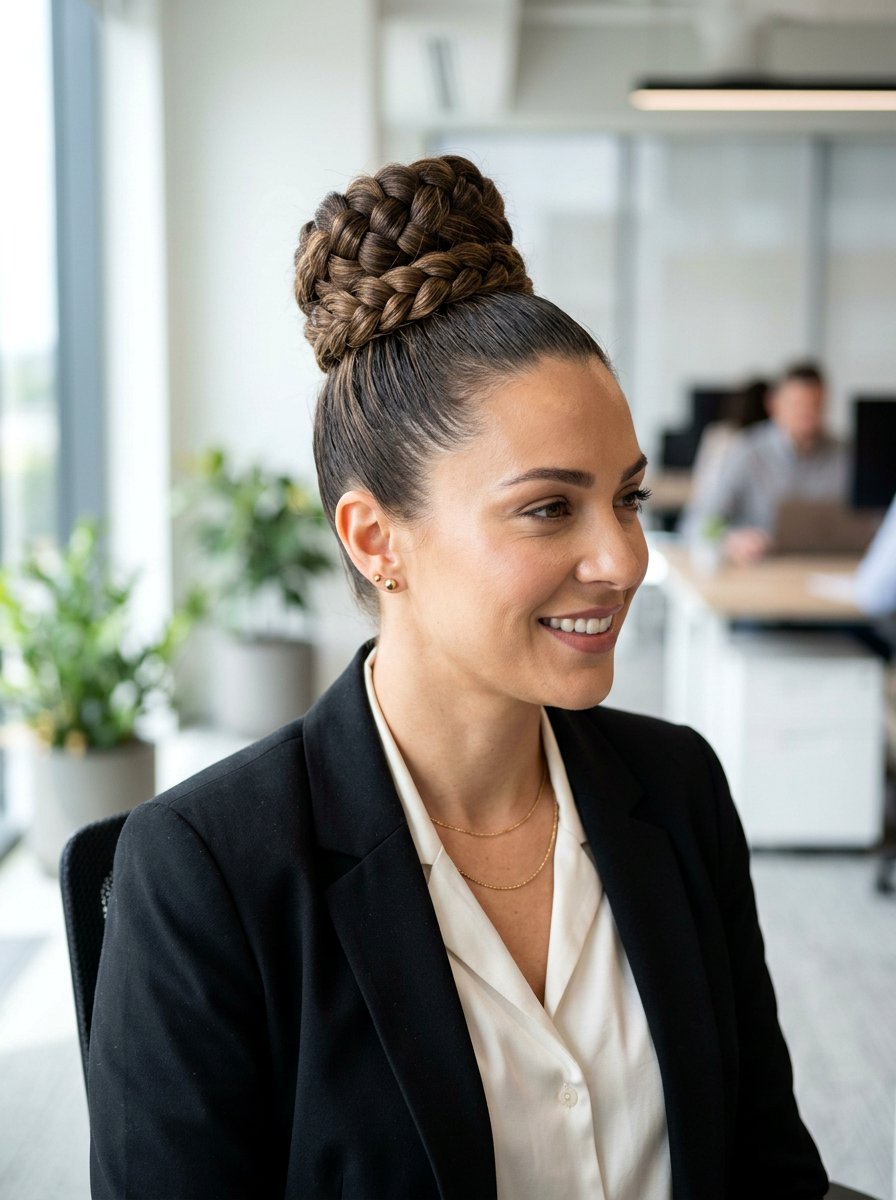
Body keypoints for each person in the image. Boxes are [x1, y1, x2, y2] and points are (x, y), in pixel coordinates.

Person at [87, 156, 829, 1199]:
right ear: (375, 538)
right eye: (546, 508)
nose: (621, 559)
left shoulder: (677, 792)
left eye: (626, 499)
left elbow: (763, 1167)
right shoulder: (207, 871)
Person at [681, 361, 848, 565]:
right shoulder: (745, 451)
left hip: (828, 567)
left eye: (815, 406)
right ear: (773, 404)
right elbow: (697, 524)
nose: (808, 416)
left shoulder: (845, 455)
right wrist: (730, 539)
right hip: (761, 571)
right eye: (798, 405)